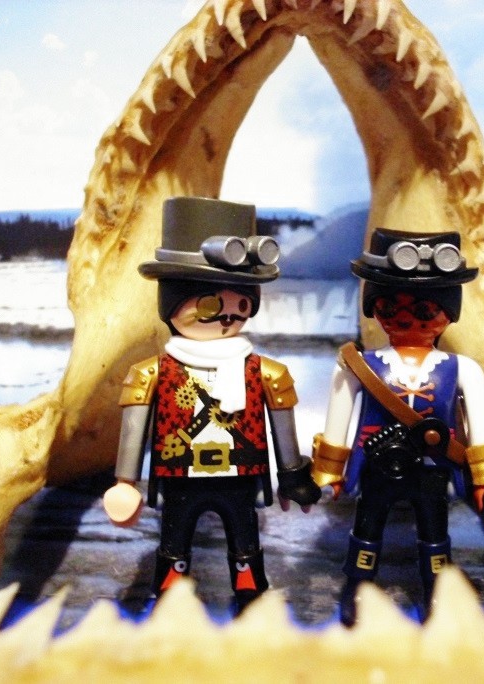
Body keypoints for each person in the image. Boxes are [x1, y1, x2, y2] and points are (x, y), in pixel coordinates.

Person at [102, 196, 320, 613]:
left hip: (240, 474)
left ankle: (249, 600)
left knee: (245, 542)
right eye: (209, 304)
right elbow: (134, 428)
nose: (227, 316)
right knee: (174, 542)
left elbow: (281, 426)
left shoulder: (264, 371)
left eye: (241, 304)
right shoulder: (153, 372)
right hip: (180, 474)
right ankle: (170, 604)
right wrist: (125, 481)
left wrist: (292, 474)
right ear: (172, 303)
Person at [310, 228, 484, 625]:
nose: (406, 317)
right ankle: (357, 587)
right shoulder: (360, 366)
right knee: (366, 530)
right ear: (374, 307)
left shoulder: (463, 369)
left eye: (424, 310)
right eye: (390, 306)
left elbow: (479, 427)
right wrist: (328, 470)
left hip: (433, 467)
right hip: (376, 464)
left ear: (448, 312)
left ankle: (437, 592)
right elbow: (339, 416)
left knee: (435, 535)